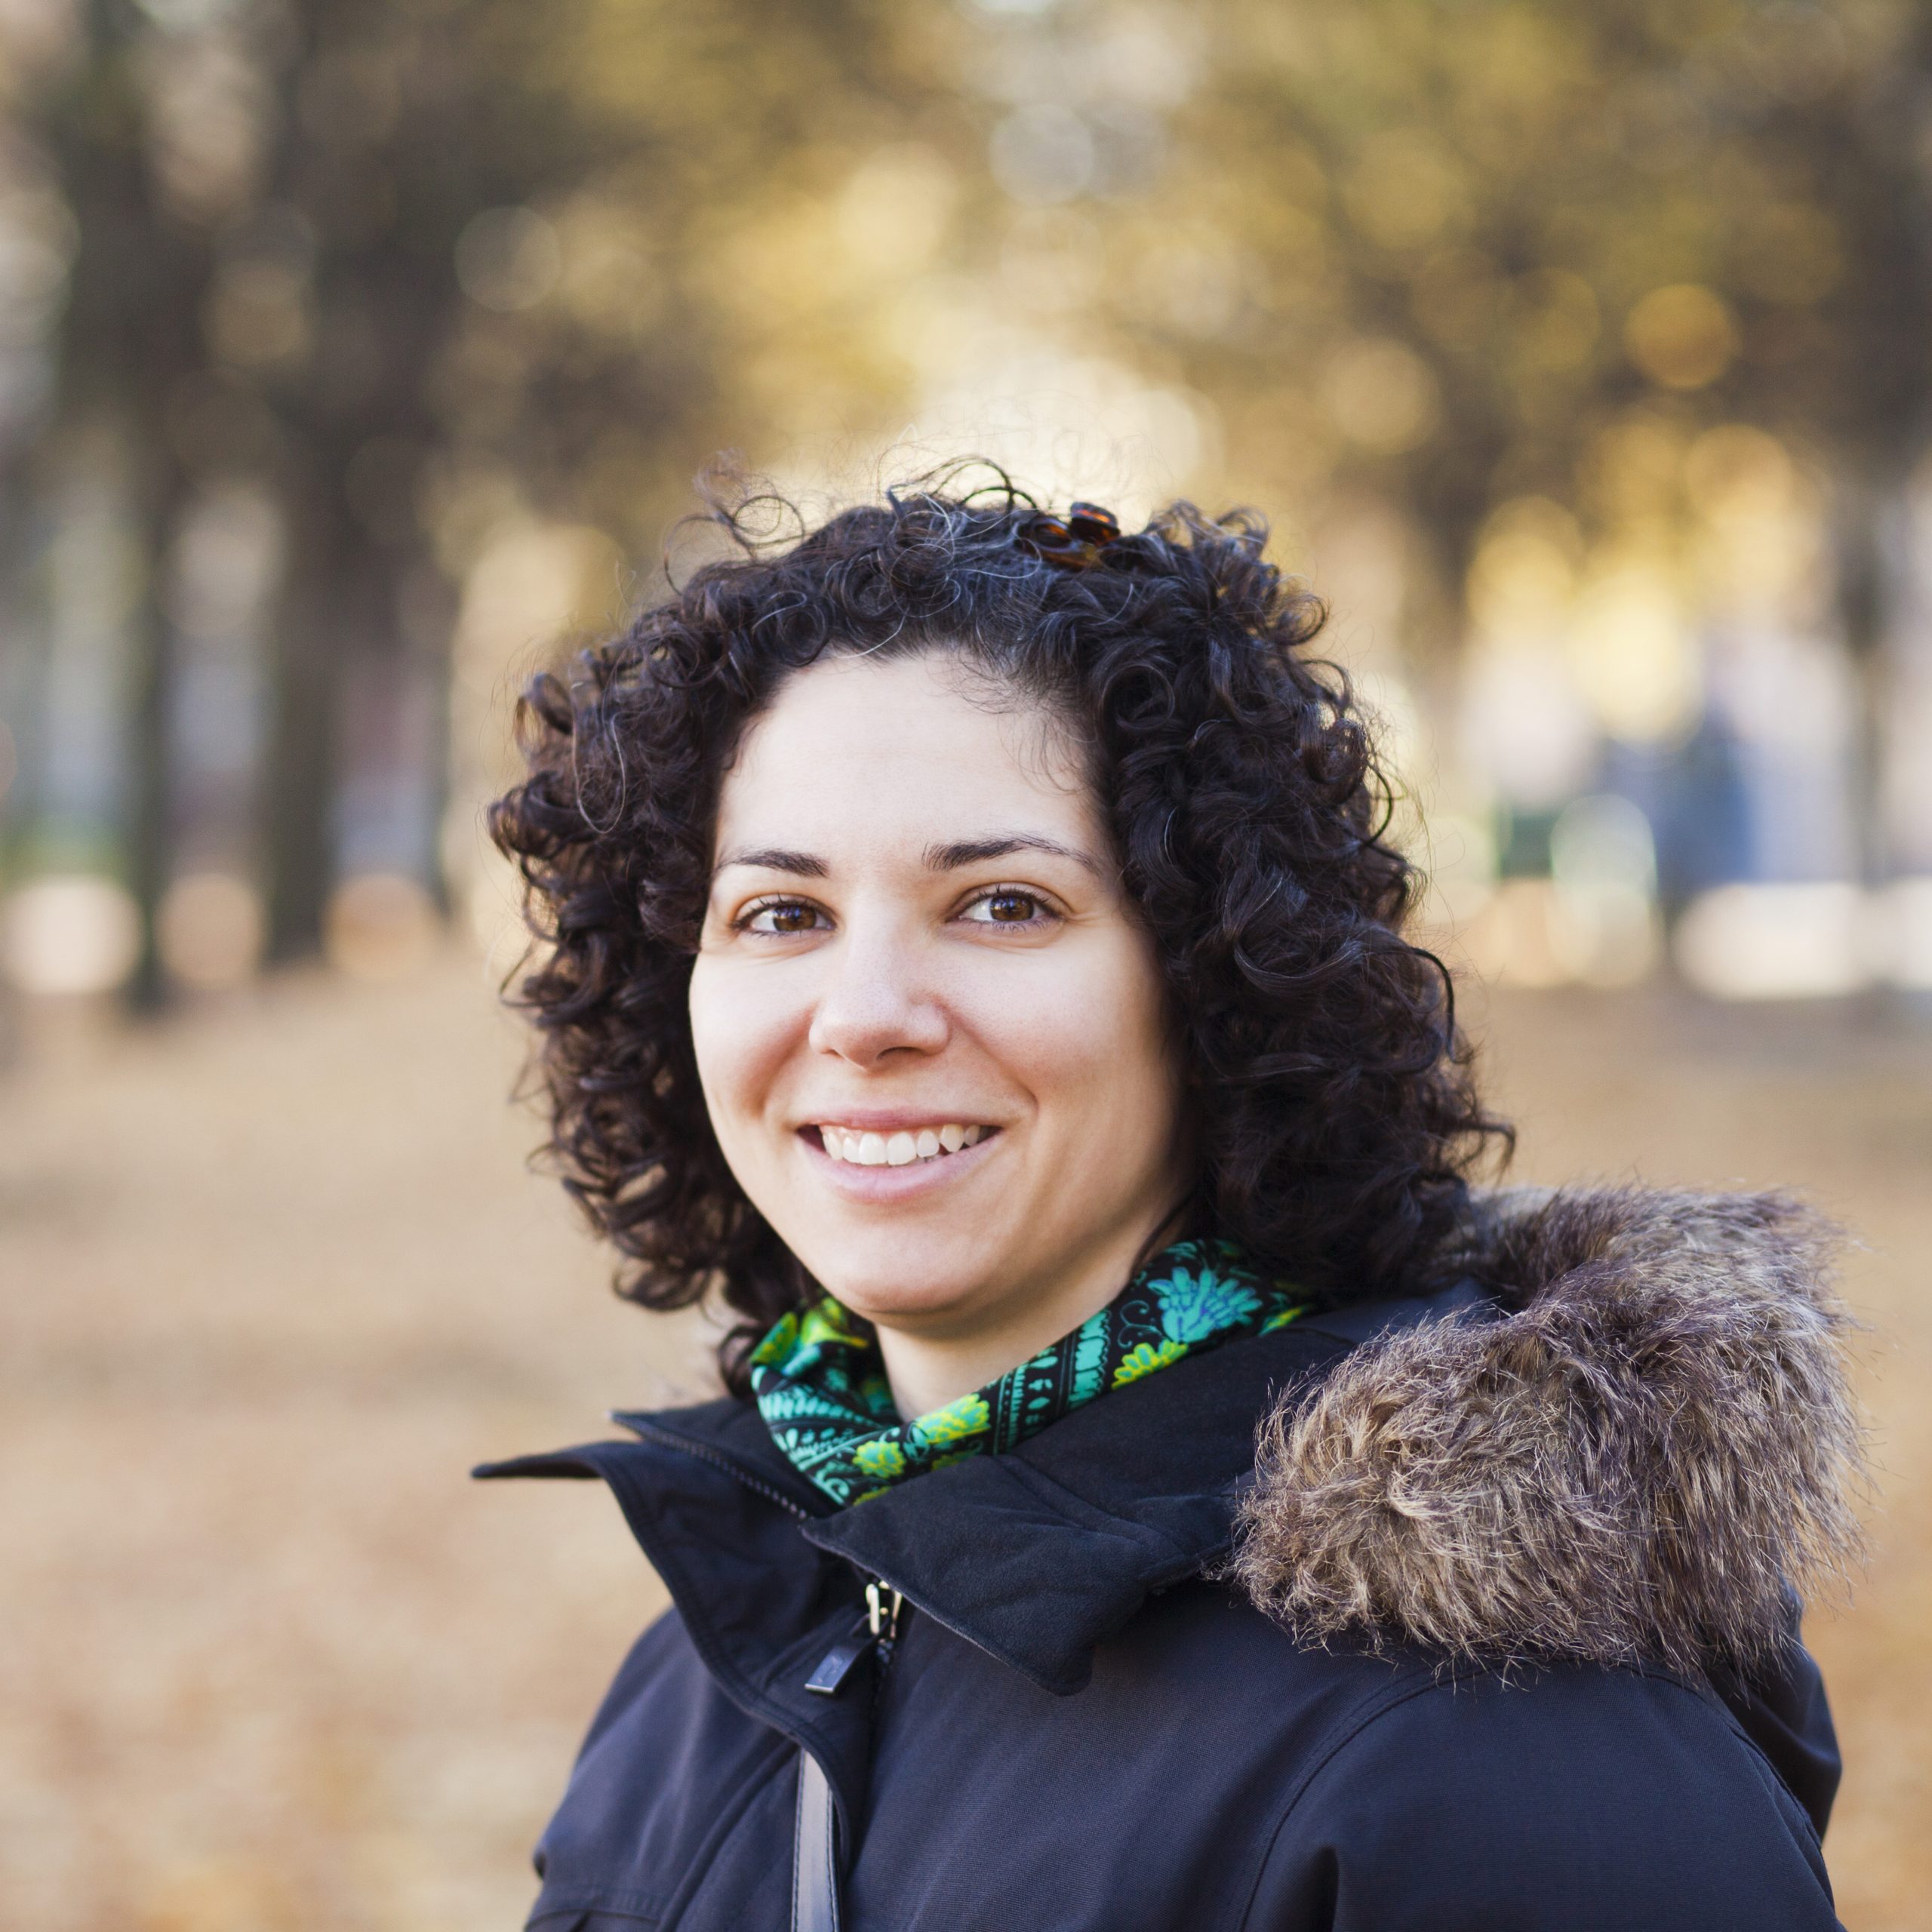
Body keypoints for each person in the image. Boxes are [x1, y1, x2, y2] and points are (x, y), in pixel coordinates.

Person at [480, 480, 1860, 1931]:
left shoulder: (1493, 1751)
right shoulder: (724, 1646)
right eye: (782, 915)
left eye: (1005, 904)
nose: (864, 1014)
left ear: (1213, 979)